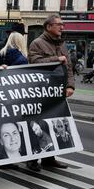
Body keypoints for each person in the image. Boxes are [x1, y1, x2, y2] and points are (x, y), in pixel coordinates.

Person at [27, 14, 73, 171]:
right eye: (59, 24)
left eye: (62, 24)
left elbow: (69, 67)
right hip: (40, 92)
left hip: (57, 92)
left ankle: (49, 158)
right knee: (37, 124)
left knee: (53, 124)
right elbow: (34, 63)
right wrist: (56, 59)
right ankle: (32, 159)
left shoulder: (62, 44)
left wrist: (70, 86)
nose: (62, 27)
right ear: (48, 27)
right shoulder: (37, 43)